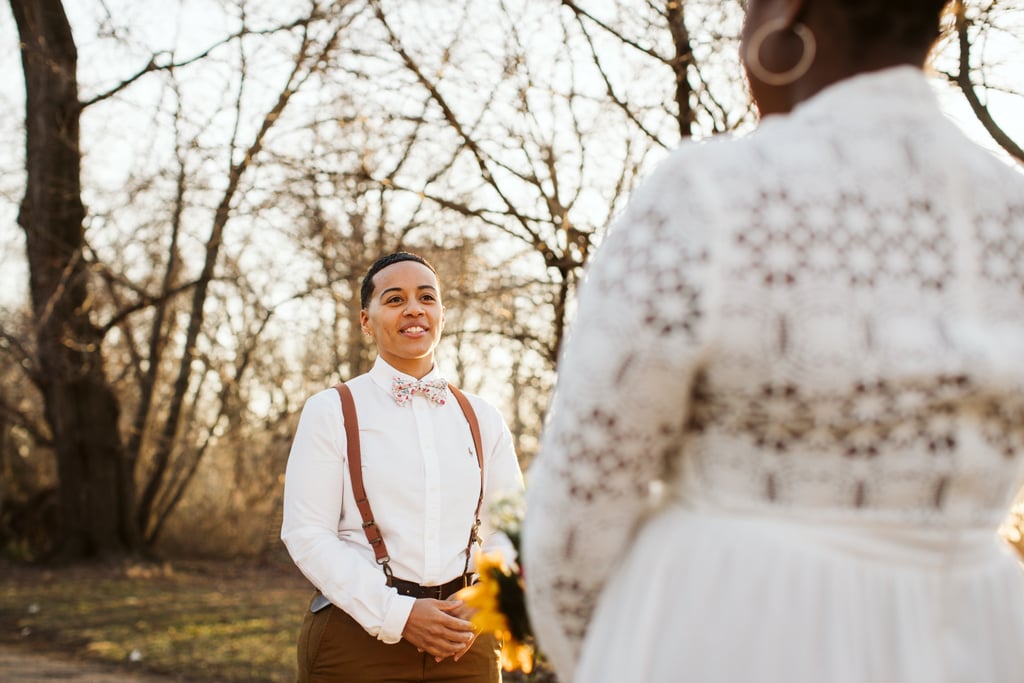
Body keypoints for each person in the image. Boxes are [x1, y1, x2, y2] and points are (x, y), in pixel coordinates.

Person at [523, 1, 1024, 681]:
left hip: (732, 627)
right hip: (975, 636)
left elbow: (575, 524)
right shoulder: (1011, 209)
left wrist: (623, 652)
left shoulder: (712, 194)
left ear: (786, 11)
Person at [282, 251, 524, 683]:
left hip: (465, 642)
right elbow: (307, 533)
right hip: (357, 640)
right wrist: (400, 615)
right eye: (394, 299)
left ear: (442, 314)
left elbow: (509, 529)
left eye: (426, 297)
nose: (414, 308)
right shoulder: (331, 411)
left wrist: (485, 594)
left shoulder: (483, 417)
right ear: (366, 320)